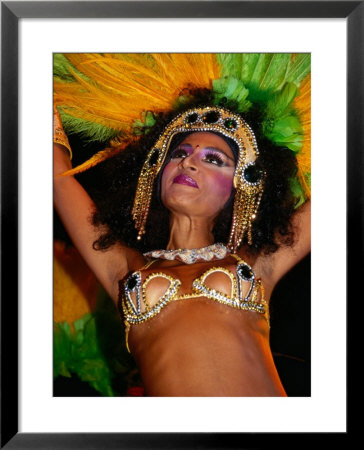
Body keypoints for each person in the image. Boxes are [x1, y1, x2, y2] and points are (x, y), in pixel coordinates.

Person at [54, 53, 311, 396]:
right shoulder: (124, 269)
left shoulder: (258, 262)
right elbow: (57, 178)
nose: (188, 161)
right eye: (178, 153)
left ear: (241, 188)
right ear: (155, 174)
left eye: (213, 160)